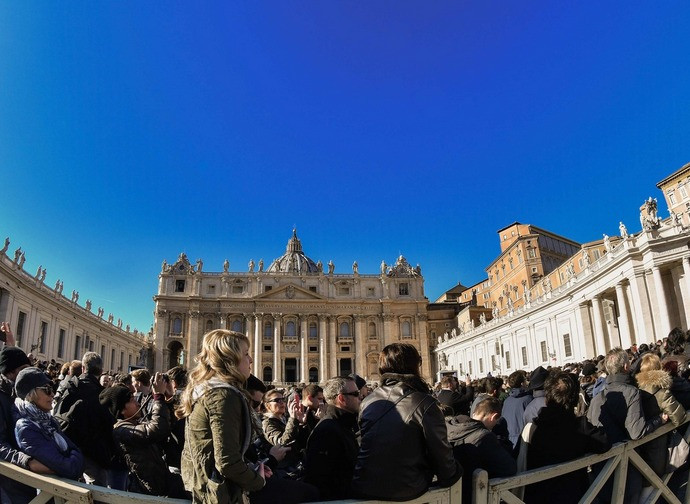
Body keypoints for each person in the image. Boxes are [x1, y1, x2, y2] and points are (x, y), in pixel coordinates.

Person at [351, 343, 461, 501]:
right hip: (405, 489)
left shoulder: (368, 401)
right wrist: (453, 474)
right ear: (414, 367)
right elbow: (441, 454)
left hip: (363, 485)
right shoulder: (425, 403)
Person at [178, 330, 267, 503]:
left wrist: (251, 468)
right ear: (230, 359)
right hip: (220, 495)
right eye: (246, 354)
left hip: (207, 488)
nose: (251, 360)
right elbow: (227, 462)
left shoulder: (210, 390)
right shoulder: (223, 396)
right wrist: (258, 481)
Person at [525, 372, 610, 504]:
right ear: (575, 399)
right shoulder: (579, 426)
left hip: (540, 496)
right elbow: (604, 443)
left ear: (547, 398)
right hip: (574, 496)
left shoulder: (534, 427)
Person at [102, 380, 187, 497]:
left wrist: (167, 401)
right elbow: (157, 429)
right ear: (121, 410)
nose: (137, 403)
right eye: (131, 400)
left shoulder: (135, 425)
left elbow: (166, 427)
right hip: (151, 488)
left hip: (161, 482)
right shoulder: (122, 431)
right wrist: (158, 397)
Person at [13, 367, 83, 480]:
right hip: (49, 493)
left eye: (52, 388)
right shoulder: (26, 427)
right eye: (47, 389)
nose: (52, 394)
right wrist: (74, 458)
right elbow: (69, 468)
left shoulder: (49, 420)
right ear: (31, 395)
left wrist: (74, 458)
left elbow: (75, 451)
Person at [447, 397, 517, 503]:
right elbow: (510, 467)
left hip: (451, 494)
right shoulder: (484, 436)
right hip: (472, 495)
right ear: (493, 417)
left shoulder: (451, 425)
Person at [304, 376, 361, 500]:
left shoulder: (344, 424)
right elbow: (320, 480)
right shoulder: (327, 431)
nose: (360, 397)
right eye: (356, 394)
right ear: (341, 398)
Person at [635, 353, 685, 477]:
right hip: (658, 447)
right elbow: (679, 417)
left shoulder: (636, 390)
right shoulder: (662, 392)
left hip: (639, 447)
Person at [502, 370, 533, 448]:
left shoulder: (507, 400)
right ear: (522, 383)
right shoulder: (528, 399)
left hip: (509, 438)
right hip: (523, 438)